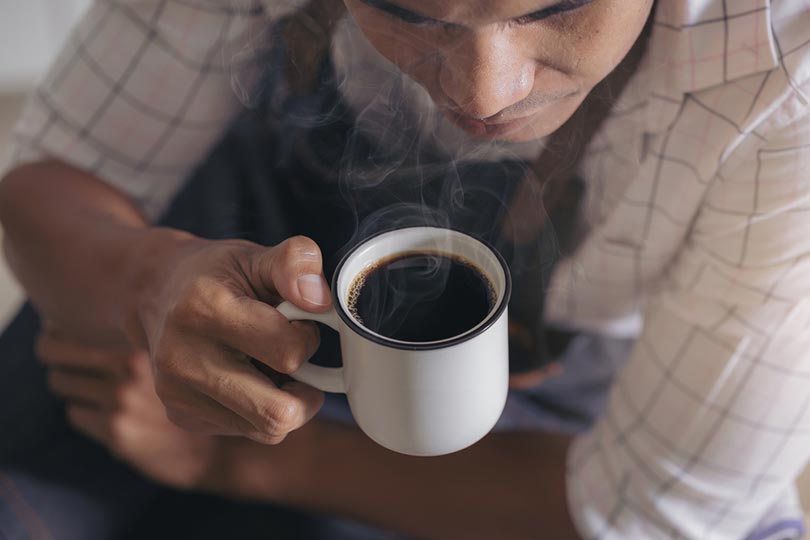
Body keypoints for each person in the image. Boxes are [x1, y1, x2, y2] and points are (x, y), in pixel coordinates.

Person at [1, 0, 809, 538]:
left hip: (578, 397)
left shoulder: (787, 68)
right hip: (234, 268)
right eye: (411, 11)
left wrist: (238, 460)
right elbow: (51, 185)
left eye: (558, 6)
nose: (487, 94)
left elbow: (654, 505)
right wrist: (150, 280)